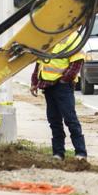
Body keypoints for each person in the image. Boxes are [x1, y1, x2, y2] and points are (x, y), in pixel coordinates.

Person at [30, 31, 87, 161]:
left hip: (62, 86)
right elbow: (40, 63)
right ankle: (58, 153)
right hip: (47, 85)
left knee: (70, 119)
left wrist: (64, 80)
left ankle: (81, 153)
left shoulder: (72, 37)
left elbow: (77, 62)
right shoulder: (49, 37)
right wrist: (35, 82)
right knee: (54, 121)